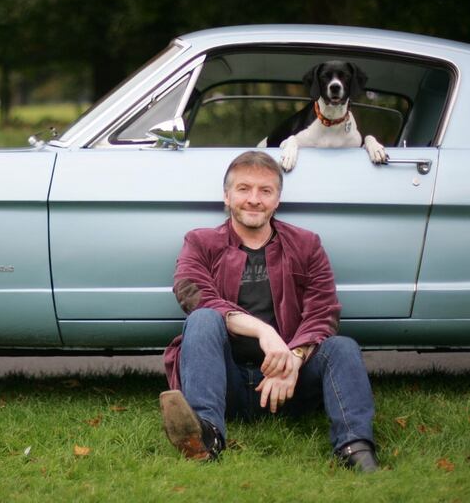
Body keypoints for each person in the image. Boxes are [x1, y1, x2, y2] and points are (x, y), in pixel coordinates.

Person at [160, 150, 379, 472]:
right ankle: (207, 434)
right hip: (226, 381)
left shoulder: (306, 244)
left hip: (290, 385)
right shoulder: (200, 242)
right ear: (227, 196)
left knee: (342, 347)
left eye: (265, 190)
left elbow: (324, 311)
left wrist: (293, 359)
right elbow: (194, 295)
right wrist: (264, 331)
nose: (254, 199)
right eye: (244, 189)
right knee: (202, 318)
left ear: (277, 199)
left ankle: (356, 447)